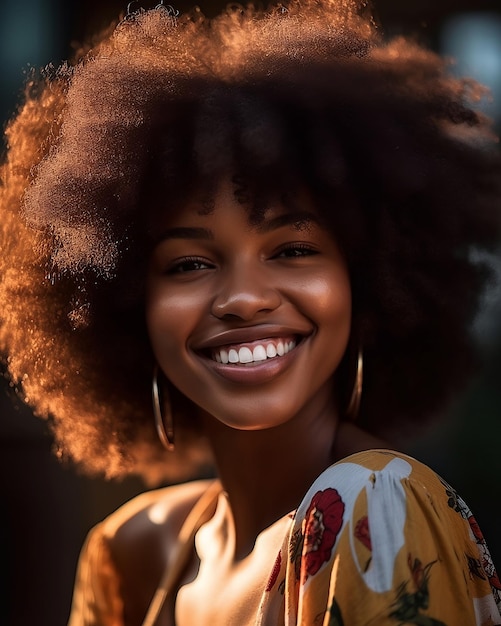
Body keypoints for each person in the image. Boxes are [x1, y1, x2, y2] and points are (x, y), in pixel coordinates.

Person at [1, 0, 501, 624]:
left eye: (293, 250)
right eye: (188, 264)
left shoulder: (375, 503)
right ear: (127, 306)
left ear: (370, 284)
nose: (243, 298)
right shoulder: (128, 553)